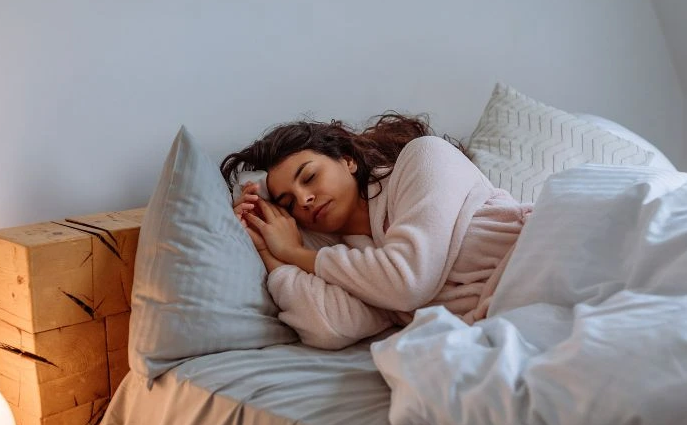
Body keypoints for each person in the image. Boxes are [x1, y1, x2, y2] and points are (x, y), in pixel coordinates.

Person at [221, 114, 533, 350]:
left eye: (310, 177)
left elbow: (407, 282)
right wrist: (266, 247)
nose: (304, 200)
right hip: (518, 316)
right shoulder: (357, 263)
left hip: (549, 249)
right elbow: (330, 325)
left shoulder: (423, 158)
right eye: (288, 203)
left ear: (347, 160)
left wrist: (295, 253)